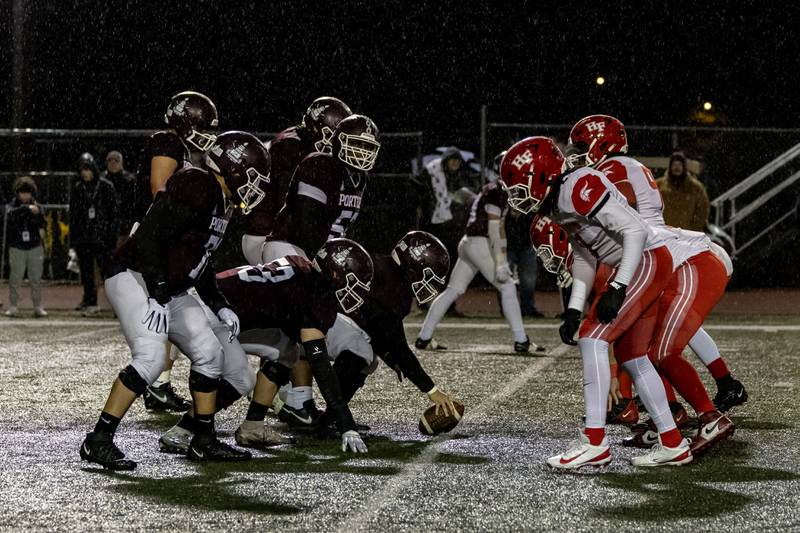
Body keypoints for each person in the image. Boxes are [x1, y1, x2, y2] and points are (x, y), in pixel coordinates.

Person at [78, 131, 271, 470]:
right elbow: (152, 236)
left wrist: (219, 302)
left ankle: (203, 439)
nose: (257, 186)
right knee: (151, 358)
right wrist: (157, 292)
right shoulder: (198, 183)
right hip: (135, 275)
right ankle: (98, 439)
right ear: (234, 168)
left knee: (210, 353)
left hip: (165, 284)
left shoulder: (220, 201)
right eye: (254, 175)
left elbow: (201, 258)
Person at [500, 136, 691, 469]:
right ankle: (673, 443)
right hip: (638, 262)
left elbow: (635, 231)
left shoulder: (577, 186)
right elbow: (586, 256)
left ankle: (595, 442)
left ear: (542, 174)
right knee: (632, 356)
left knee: (592, 338)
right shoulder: (559, 200)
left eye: (519, 188)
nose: (516, 198)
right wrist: (574, 308)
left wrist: (617, 286)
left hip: (644, 259)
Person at [569, 114, 747, 415]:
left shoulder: (611, 168)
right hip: (654, 244)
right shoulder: (629, 165)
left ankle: (667, 406)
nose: (579, 154)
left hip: (646, 250)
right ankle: (707, 390)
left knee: (646, 341)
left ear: (602, 143)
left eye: (583, 146)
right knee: (663, 330)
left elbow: (616, 213)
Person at [158, 239, 374, 454]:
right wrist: (346, 424)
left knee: (286, 351)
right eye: (353, 283)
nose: (357, 293)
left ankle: (253, 426)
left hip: (213, 306)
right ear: (335, 273)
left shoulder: (302, 268)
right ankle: (183, 430)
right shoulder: (316, 294)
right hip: (211, 313)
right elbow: (319, 363)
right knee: (241, 379)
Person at [261, 114, 380, 426]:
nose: (362, 153)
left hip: (321, 260)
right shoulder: (320, 165)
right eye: (355, 145)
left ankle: (311, 408)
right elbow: (306, 222)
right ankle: (286, 401)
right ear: (338, 142)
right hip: (293, 250)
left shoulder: (359, 178)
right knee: (302, 330)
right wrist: (327, 269)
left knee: (353, 345)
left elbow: (343, 230)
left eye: (368, 147)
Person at [135, 90, 219, 413]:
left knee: (176, 313)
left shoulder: (184, 148)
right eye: (204, 127)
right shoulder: (167, 142)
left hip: (165, 237)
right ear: (185, 123)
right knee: (167, 316)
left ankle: (159, 385)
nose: (208, 136)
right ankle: (152, 382)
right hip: (153, 237)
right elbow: (160, 188)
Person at [416, 179, 539, 354]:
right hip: (479, 242)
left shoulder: (496, 188)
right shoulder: (498, 191)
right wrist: (501, 261)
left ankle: (424, 337)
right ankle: (521, 340)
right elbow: (495, 228)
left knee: (452, 290)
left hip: (468, 242)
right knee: (508, 287)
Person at [241, 96, 352, 265]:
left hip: (282, 236)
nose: (338, 143)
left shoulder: (303, 142)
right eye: (335, 135)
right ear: (315, 129)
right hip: (267, 237)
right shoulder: (291, 149)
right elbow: (290, 205)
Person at [69, 153, 118, 315]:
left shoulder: (106, 186)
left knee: (108, 274)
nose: (85, 173)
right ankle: (91, 302)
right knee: (87, 273)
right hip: (84, 238)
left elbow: (113, 214)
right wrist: (74, 240)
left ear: (94, 169)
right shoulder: (77, 188)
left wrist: (111, 236)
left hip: (102, 238)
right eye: (82, 170)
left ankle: (119, 304)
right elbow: (74, 216)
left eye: (88, 169)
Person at [5, 177, 47, 317]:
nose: (25, 195)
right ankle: (13, 306)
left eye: (27, 192)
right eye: (22, 192)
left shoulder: (37, 206)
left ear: (31, 193)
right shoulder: (12, 206)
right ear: (17, 193)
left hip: (34, 247)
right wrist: (27, 208)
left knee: (35, 279)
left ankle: (37, 306)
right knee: (15, 278)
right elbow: (10, 215)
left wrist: (38, 213)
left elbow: (43, 222)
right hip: (17, 247)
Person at [656, 151, 710, 232]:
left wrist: (694, 229)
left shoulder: (695, 187)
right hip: (665, 233)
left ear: (684, 167)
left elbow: (703, 210)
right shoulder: (659, 185)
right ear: (670, 166)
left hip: (687, 234)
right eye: (674, 165)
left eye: (679, 165)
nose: (676, 168)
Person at [505, 209, 542, 317]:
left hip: (525, 245)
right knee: (505, 279)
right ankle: (508, 309)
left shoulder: (529, 205)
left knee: (528, 281)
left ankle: (527, 308)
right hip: (508, 245)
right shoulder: (503, 201)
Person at [100, 151, 137, 245]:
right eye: (109, 160)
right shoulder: (101, 180)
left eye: (116, 160)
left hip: (124, 224)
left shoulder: (130, 180)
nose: (112, 163)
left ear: (121, 163)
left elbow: (133, 203)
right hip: (105, 225)